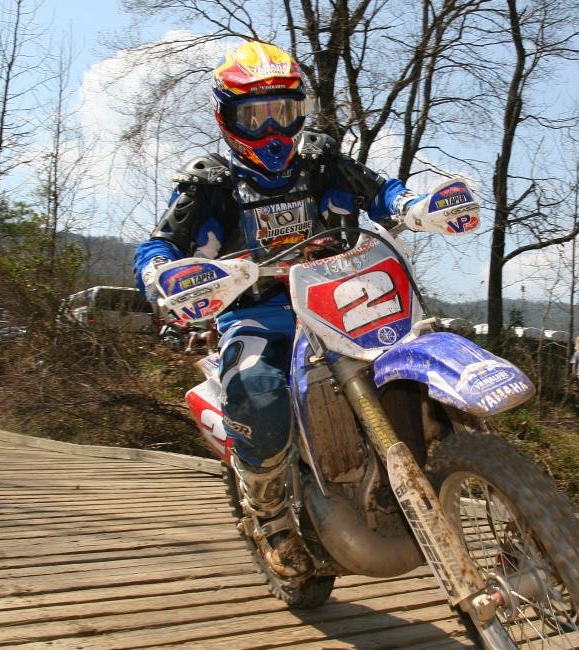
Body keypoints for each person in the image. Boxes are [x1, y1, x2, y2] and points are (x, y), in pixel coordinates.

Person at [130, 42, 475, 577]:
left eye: (284, 113)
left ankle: (485, 473)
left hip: (345, 302)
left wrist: (415, 206)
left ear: (301, 111)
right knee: (259, 393)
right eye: (256, 116)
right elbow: (158, 245)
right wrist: (164, 276)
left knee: (425, 345)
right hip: (259, 317)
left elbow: (379, 191)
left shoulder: (320, 160)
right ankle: (268, 513)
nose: (272, 132)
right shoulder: (210, 185)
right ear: (228, 119)